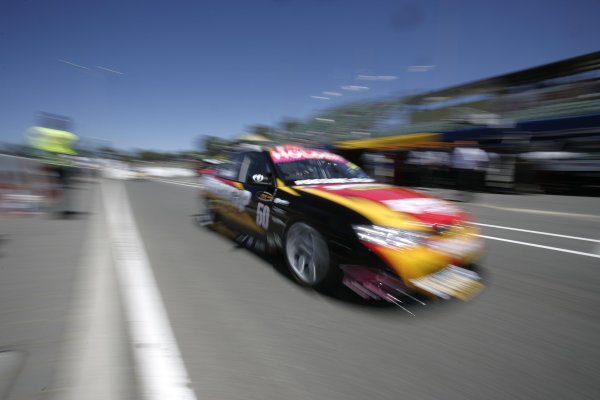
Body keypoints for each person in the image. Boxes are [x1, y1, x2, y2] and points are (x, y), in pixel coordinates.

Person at [28, 126, 79, 217]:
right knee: (57, 186)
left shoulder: (52, 143)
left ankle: (49, 202)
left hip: (56, 166)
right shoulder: (59, 143)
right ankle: (49, 202)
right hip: (57, 166)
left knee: (56, 186)